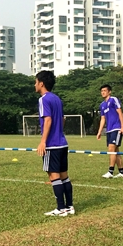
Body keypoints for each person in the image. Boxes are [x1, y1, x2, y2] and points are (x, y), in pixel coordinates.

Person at [35, 70, 73, 217]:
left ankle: (61, 208)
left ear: (41, 83)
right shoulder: (57, 99)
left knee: (53, 175)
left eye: (36, 82)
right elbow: (62, 119)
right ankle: (69, 206)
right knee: (65, 176)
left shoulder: (43, 99)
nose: (35, 85)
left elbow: (48, 120)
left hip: (52, 144)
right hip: (62, 142)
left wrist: (43, 141)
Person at [96, 84, 123, 179]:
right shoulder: (102, 105)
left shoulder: (114, 99)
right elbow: (103, 119)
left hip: (116, 128)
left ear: (109, 91)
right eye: (101, 91)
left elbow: (120, 112)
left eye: (104, 90)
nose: (103, 92)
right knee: (115, 151)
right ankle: (122, 172)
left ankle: (110, 172)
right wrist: (99, 131)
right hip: (109, 130)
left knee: (111, 149)